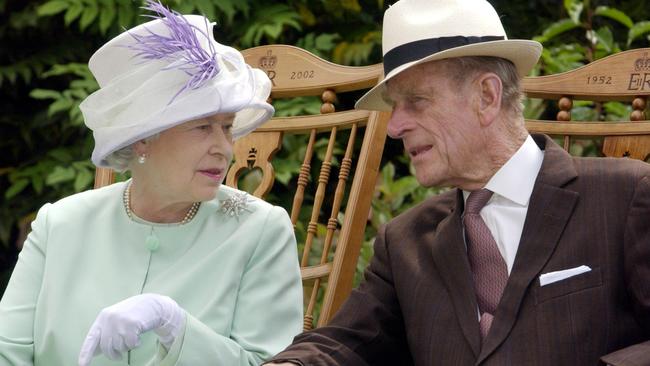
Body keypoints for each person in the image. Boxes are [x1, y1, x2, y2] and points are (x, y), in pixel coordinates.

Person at [266, 0, 650, 365]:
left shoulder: (625, 196)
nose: (395, 126)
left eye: (415, 101)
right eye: (394, 107)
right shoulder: (404, 243)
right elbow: (343, 344)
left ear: (486, 96)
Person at [0, 1, 303, 365]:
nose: (224, 148)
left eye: (226, 127)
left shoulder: (260, 231)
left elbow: (271, 362)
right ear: (143, 139)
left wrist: (177, 327)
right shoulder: (59, 224)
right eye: (203, 127)